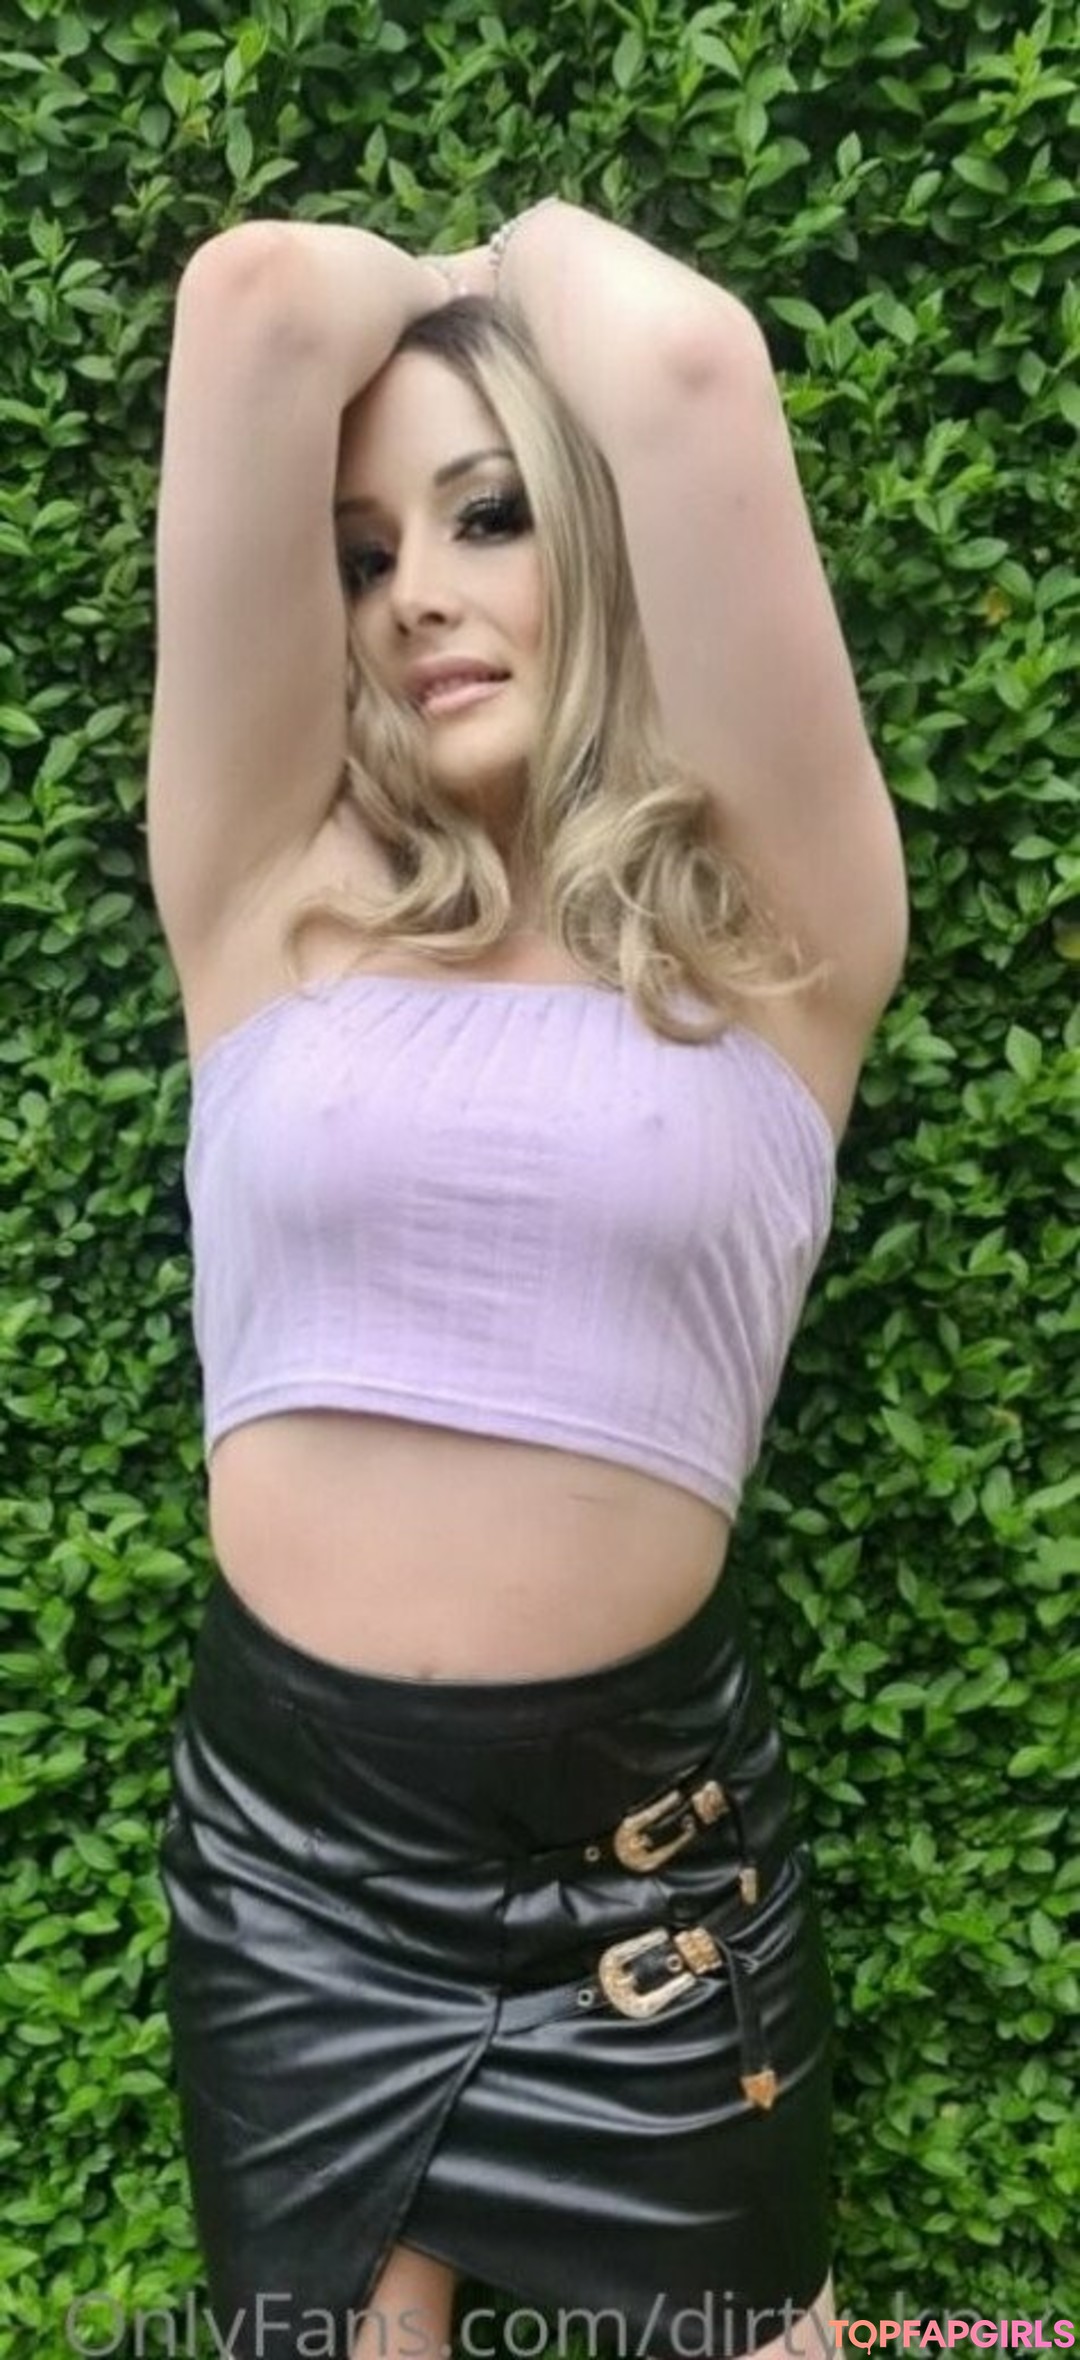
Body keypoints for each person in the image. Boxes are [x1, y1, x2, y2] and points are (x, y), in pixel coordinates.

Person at [150, 197, 909, 2360]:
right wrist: (435, 301)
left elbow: (683, 367)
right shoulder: (265, 895)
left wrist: (512, 259)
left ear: (601, 536)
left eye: (489, 515)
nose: (418, 594)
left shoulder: (780, 934)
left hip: (644, 1871)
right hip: (296, 1864)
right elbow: (254, 302)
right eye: (362, 553)